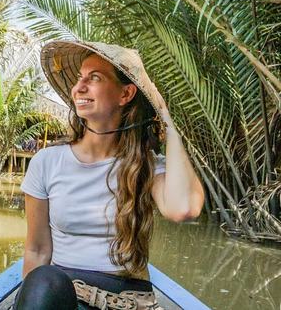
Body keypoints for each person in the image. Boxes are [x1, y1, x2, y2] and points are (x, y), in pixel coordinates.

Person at [16, 41, 205, 310]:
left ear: (125, 94)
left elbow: (184, 209)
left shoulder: (147, 164)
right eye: (80, 78)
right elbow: (37, 250)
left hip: (126, 299)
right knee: (43, 280)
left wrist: (168, 122)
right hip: (63, 292)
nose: (79, 87)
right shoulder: (47, 162)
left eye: (94, 78)